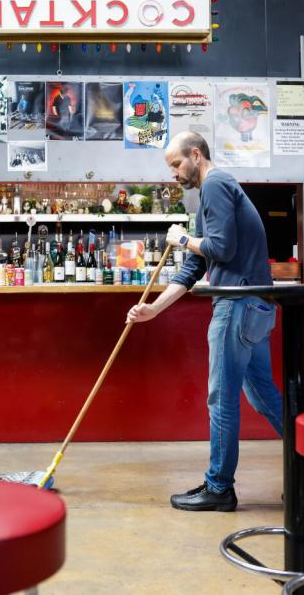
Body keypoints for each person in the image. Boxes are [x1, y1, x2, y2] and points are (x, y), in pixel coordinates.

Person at [125, 131, 282, 512]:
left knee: (222, 399)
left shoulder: (215, 184)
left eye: (176, 164)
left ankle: (219, 488)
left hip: (236, 305)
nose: (174, 174)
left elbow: (220, 249)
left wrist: (180, 239)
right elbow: (196, 266)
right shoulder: (213, 194)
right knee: (263, 396)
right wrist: (154, 310)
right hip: (255, 307)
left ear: (196, 154)